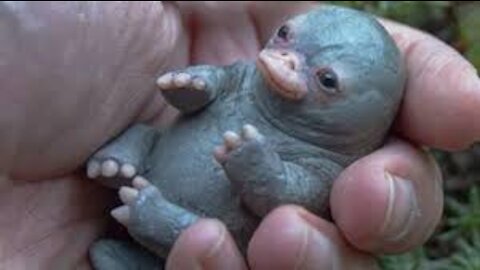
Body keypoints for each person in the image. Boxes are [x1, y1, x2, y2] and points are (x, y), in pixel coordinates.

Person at [1, 2, 478, 269]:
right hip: (149, 153)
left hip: (188, 222)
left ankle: (147, 226)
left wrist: (261, 170)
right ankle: (125, 169)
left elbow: (289, 195)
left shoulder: (328, 160)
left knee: (204, 238)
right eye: (287, 37)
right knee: (144, 134)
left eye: (324, 80)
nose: (286, 60)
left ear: (363, 120)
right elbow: (216, 83)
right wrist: (200, 83)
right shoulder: (249, 76)